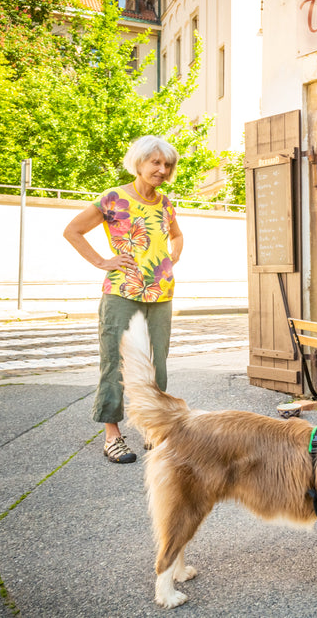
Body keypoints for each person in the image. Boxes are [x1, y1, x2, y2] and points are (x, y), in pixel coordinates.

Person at [63, 136, 184, 464]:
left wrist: (171, 259)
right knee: (116, 363)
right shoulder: (113, 198)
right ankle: (113, 435)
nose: (161, 169)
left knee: (157, 364)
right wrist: (103, 262)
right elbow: (72, 230)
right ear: (140, 162)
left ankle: (153, 428)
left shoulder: (165, 202)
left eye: (167, 164)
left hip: (161, 294)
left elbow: (176, 234)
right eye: (155, 162)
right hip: (121, 293)